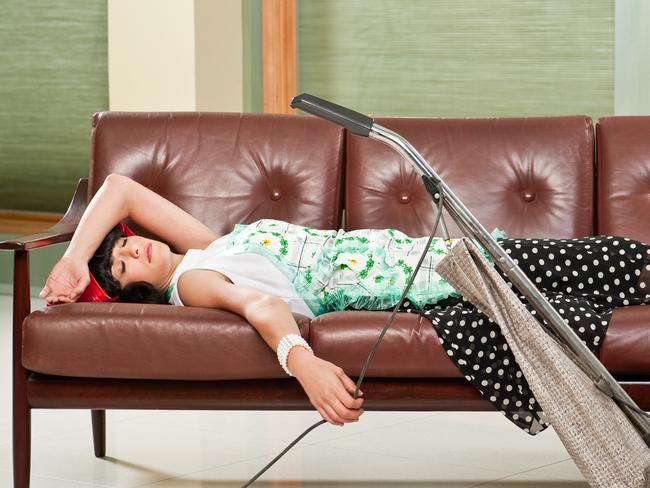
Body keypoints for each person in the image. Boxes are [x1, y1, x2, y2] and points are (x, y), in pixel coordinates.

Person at [40, 174, 650, 433]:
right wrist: (302, 362)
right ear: (138, 295)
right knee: (598, 267)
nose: (134, 251)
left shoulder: (208, 245)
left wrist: (74, 258)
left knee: (603, 262)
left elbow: (119, 189)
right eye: (121, 270)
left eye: (125, 246)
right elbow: (256, 304)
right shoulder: (193, 284)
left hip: (430, 251)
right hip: (435, 278)